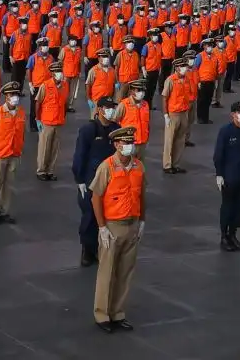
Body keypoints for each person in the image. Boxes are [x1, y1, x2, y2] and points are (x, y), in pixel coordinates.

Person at [90, 126, 145, 333]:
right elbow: (96, 197)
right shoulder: (107, 167)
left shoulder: (139, 166)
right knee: (107, 271)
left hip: (132, 224)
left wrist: (142, 221)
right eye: (125, 142)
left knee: (125, 272)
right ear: (116, 144)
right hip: (113, 226)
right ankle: (102, 314)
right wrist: (102, 227)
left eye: (131, 142)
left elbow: (142, 196)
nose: (129, 145)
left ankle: (118, 312)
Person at [71, 96, 118, 268]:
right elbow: (80, 155)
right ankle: (87, 250)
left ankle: (101, 249)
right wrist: (79, 179)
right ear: (99, 110)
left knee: (106, 217)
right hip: (91, 181)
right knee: (90, 216)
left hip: (111, 182)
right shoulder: (88, 130)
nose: (110, 110)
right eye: (107, 107)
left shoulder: (115, 129)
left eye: (112, 107)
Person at [214, 99, 240, 250]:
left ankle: (233, 234)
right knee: (227, 207)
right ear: (233, 114)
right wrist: (219, 174)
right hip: (229, 177)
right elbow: (219, 154)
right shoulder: (225, 131)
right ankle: (224, 236)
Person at [0, 81, 26, 224]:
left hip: (14, 154)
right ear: (6, 97)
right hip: (0, 154)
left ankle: (4, 211)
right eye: (12, 95)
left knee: (8, 184)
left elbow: (21, 133)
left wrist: (20, 150)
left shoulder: (21, 112)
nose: (15, 97)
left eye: (16, 94)